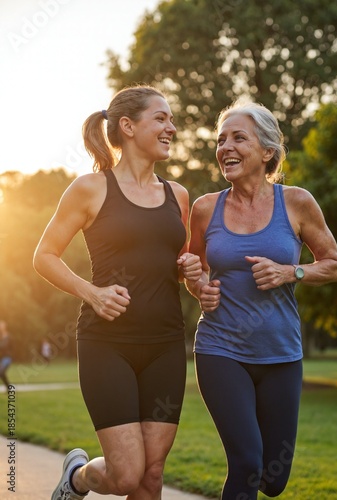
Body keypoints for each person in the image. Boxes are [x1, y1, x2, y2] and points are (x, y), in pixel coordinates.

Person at [33, 85, 202, 500]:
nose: (171, 128)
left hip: (165, 343)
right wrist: (91, 293)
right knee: (127, 474)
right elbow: (44, 255)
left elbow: (180, 266)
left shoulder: (177, 195)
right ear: (127, 126)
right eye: (160, 118)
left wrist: (191, 268)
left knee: (152, 474)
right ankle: (76, 478)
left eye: (171, 119)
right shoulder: (90, 188)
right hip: (107, 344)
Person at [186, 100, 337, 499]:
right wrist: (199, 286)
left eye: (239, 138)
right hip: (220, 349)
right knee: (247, 462)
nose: (226, 147)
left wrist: (292, 272)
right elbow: (195, 269)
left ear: (267, 151)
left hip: (281, 355)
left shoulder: (297, 203)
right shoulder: (205, 209)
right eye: (221, 140)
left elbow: (334, 264)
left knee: (273, 480)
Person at [0, 320, 12, 388]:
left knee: (1, 372)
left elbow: (4, 346)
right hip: (1, 358)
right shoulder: (1, 337)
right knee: (2, 374)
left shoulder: (7, 336)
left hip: (7, 358)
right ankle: (9, 388)